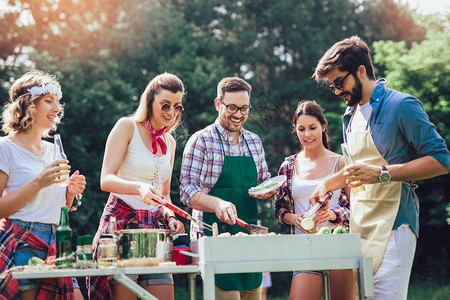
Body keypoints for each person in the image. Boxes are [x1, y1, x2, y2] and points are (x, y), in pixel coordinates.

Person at [311, 35, 450, 299]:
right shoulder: (349, 116)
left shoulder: (401, 105)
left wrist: (383, 173)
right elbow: (355, 168)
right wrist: (325, 185)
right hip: (360, 224)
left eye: (340, 82)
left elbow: (441, 160)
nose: (338, 91)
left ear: (361, 71)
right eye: (332, 87)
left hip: (395, 224)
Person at [87, 73, 185, 300]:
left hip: (156, 231)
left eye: (177, 106)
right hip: (122, 225)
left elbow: (164, 195)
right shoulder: (126, 126)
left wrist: (170, 216)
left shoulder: (170, 142)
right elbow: (106, 179)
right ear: (150, 101)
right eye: (165, 105)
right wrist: (139, 188)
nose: (171, 112)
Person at [180, 77, 274, 300]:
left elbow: (264, 180)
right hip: (214, 239)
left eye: (244, 108)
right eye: (232, 107)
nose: (239, 114)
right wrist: (217, 203)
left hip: (249, 239)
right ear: (218, 104)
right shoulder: (201, 141)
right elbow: (187, 192)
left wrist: (268, 191)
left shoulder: (254, 141)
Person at [0, 70, 86, 299]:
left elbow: (61, 208)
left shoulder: (54, 149)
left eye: (57, 102)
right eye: (48, 101)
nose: (57, 109)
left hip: (58, 241)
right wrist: (39, 182)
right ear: (28, 105)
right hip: (23, 242)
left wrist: (70, 192)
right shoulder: (5, 148)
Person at [275, 100, 356, 300]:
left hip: (338, 246)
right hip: (304, 248)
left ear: (323, 127)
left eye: (312, 128)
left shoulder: (341, 163)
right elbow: (280, 209)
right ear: (295, 130)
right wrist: (295, 219)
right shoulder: (289, 165)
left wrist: (334, 214)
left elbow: (358, 208)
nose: (307, 134)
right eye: (301, 129)